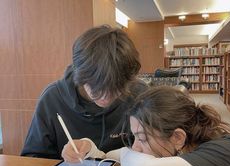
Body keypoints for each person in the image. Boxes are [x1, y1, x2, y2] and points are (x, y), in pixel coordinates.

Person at [62, 86, 230, 166]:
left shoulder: (227, 151)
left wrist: (123, 153)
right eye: (134, 137)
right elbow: (111, 157)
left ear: (177, 137)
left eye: (143, 139)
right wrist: (91, 150)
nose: (135, 148)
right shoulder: (189, 148)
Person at [21, 25, 146, 159]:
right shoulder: (52, 98)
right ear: (80, 74)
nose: (105, 97)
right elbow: (33, 158)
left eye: (116, 88)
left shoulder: (139, 95)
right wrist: (61, 162)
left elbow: (155, 151)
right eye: (96, 86)